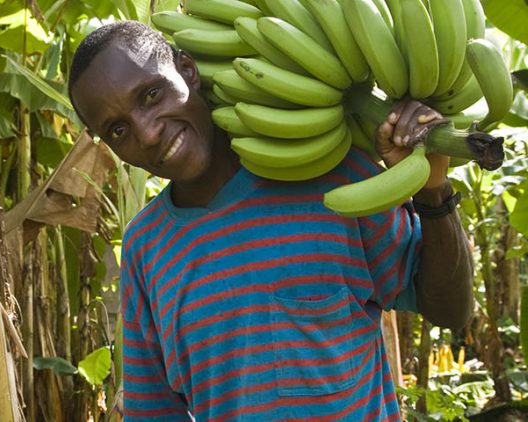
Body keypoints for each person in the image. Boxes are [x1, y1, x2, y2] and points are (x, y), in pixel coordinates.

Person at [68, 20, 473, 421]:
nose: (148, 133)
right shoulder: (146, 248)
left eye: (151, 95)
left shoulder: (335, 178)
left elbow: (450, 311)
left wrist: (433, 190)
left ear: (187, 70)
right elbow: (154, 410)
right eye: (118, 130)